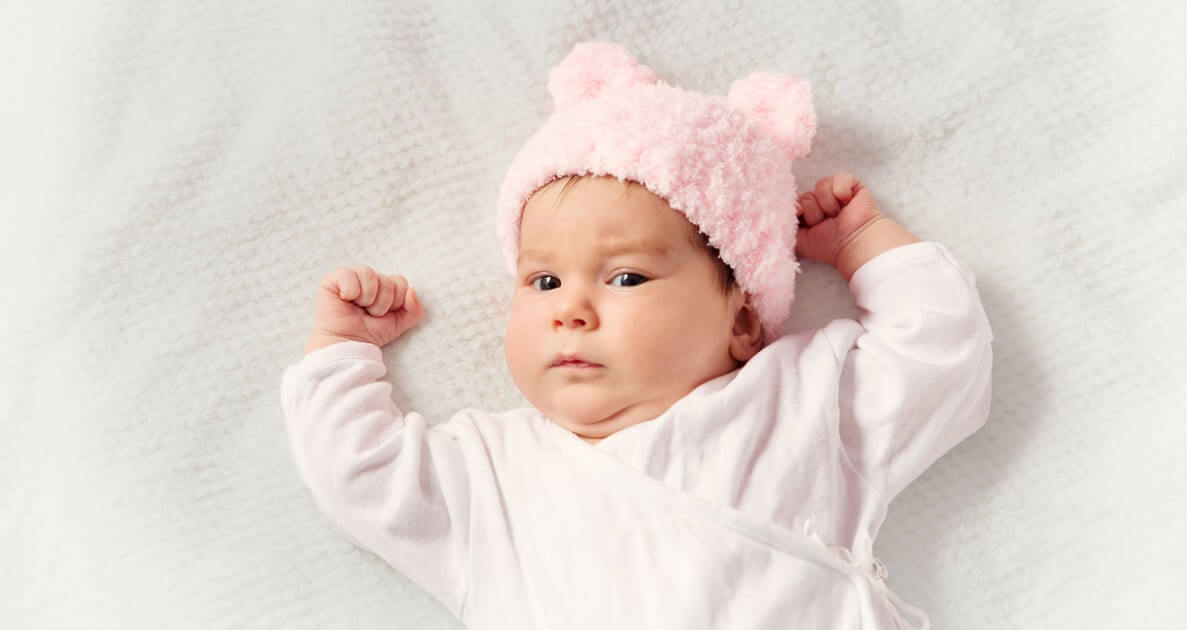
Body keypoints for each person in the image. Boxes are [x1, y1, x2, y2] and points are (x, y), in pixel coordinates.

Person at [281, 41, 993, 630]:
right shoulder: (489, 479)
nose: (571, 310)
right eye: (543, 281)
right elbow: (360, 477)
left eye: (625, 278)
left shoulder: (799, 406)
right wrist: (342, 349)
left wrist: (864, 244)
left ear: (743, 319)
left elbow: (940, 354)